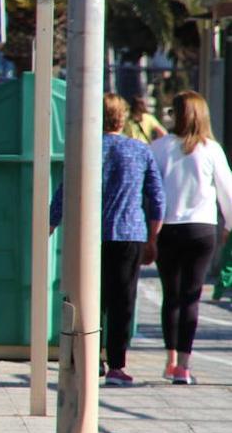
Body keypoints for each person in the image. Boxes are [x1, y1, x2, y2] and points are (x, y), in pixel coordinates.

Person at [51, 94, 164, 385]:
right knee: (122, 300)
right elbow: (157, 197)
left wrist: (51, 223)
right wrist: (153, 237)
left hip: (89, 234)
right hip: (129, 234)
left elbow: (64, 191)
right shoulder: (140, 150)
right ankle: (116, 365)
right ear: (122, 118)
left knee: (91, 299)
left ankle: (92, 358)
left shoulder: (84, 150)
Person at [150, 91, 232, 385]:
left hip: (167, 228)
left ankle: (170, 360)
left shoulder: (159, 148)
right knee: (191, 297)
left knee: (170, 295)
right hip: (201, 229)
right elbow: (227, 192)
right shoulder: (212, 150)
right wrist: (228, 225)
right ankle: (184, 366)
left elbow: (151, 190)